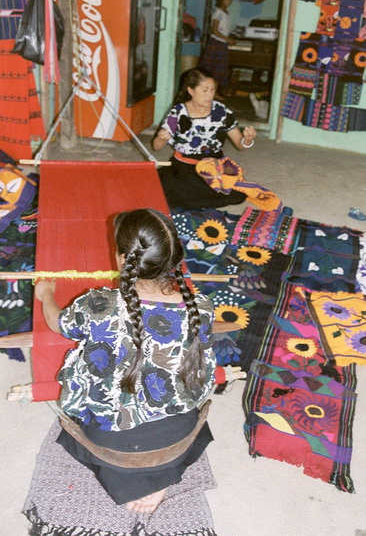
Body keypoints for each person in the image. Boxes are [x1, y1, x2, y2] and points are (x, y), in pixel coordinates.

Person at [34, 208, 218, 515]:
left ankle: (129, 481)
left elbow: (58, 323)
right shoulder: (201, 306)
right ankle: (160, 478)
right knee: (184, 428)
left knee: (81, 437)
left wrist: (46, 294)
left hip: (109, 440)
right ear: (174, 257)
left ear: (122, 258)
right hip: (177, 435)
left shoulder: (98, 303)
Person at [154, 67, 257, 210]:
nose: (210, 95)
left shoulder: (220, 111)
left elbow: (240, 145)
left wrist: (247, 140)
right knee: (175, 189)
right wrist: (161, 137)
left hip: (214, 164)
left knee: (237, 193)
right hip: (185, 165)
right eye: (204, 90)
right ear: (191, 91)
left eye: (213, 90)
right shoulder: (178, 112)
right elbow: (156, 147)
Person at [199, 0, 235, 98]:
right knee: (212, 70)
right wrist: (228, 39)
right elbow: (214, 30)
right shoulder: (218, 12)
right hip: (216, 44)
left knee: (220, 70)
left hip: (222, 44)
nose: (228, 0)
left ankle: (213, 93)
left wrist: (228, 37)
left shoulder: (225, 13)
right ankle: (208, 93)